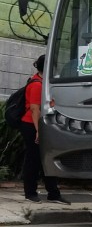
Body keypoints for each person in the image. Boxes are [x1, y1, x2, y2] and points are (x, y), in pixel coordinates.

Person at [20, 55, 70, 204]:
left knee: (47, 159)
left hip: (42, 124)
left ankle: (53, 193)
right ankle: (30, 193)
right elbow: (35, 109)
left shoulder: (44, 83)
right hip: (32, 125)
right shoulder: (36, 84)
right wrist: (38, 131)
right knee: (33, 160)